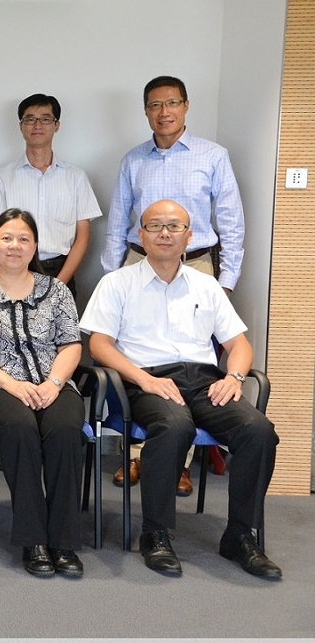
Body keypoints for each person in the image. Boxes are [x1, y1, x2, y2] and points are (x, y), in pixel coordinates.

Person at [81, 200, 280, 579]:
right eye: (155, 226)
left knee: (258, 431)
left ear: (190, 236)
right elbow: (100, 345)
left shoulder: (206, 285)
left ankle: (240, 535)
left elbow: (239, 345)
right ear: (140, 236)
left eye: (175, 226)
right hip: (146, 380)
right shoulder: (117, 283)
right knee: (174, 427)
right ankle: (155, 533)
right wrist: (143, 378)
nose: (165, 233)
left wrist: (233, 378)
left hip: (205, 381)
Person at [101, 75, 245, 494]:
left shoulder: (212, 156)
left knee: (188, 358)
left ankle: (179, 462)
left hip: (195, 263)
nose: (164, 112)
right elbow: (117, 222)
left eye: (172, 103)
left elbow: (231, 221)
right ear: (146, 111)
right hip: (137, 260)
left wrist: (227, 282)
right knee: (135, 355)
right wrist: (113, 279)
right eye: (155, 105)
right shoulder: (133, 159)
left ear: (185, 106)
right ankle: (135, 457)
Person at [0, 209, 86, 577]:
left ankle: (64, 540)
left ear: (35, 246)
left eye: (24, 239)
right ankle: (33, 539)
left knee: (66, 430)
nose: (15, 245)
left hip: (52, 382)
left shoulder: (56, 290)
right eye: (6, 237)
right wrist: (11, 384)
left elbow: (71, 345)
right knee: (22, 429)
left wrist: (53, 384)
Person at [0, 94, 101, 296]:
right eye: (30, 119)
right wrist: (19, 277)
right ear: (21, 126)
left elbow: (82, 238)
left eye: (45, 119)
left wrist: (59, 285)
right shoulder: (2, 178)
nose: (37, 125)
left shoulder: (76, 177)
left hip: (62, 272)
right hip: (15, 271)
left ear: (57, 125)